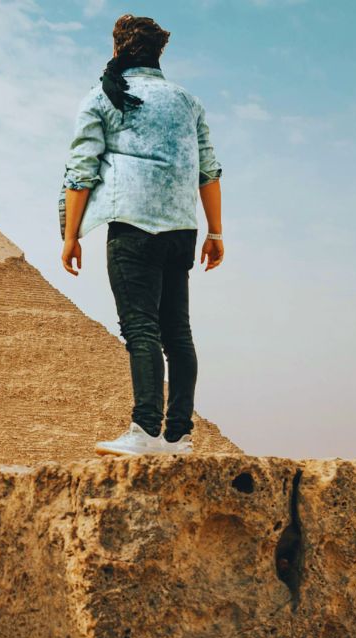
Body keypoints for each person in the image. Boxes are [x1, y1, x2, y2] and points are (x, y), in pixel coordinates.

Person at [60, 14, 225, 456]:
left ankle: (146, 430)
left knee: (141, 328)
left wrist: (70, 235)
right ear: (159, 53)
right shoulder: (188, 101)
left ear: (117, 50)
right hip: (181, 230)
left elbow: (81, 173)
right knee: (178, 333)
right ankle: (179, 436)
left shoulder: (103, 96)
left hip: (131, 225)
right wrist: (217, 232)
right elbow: (209, 170)